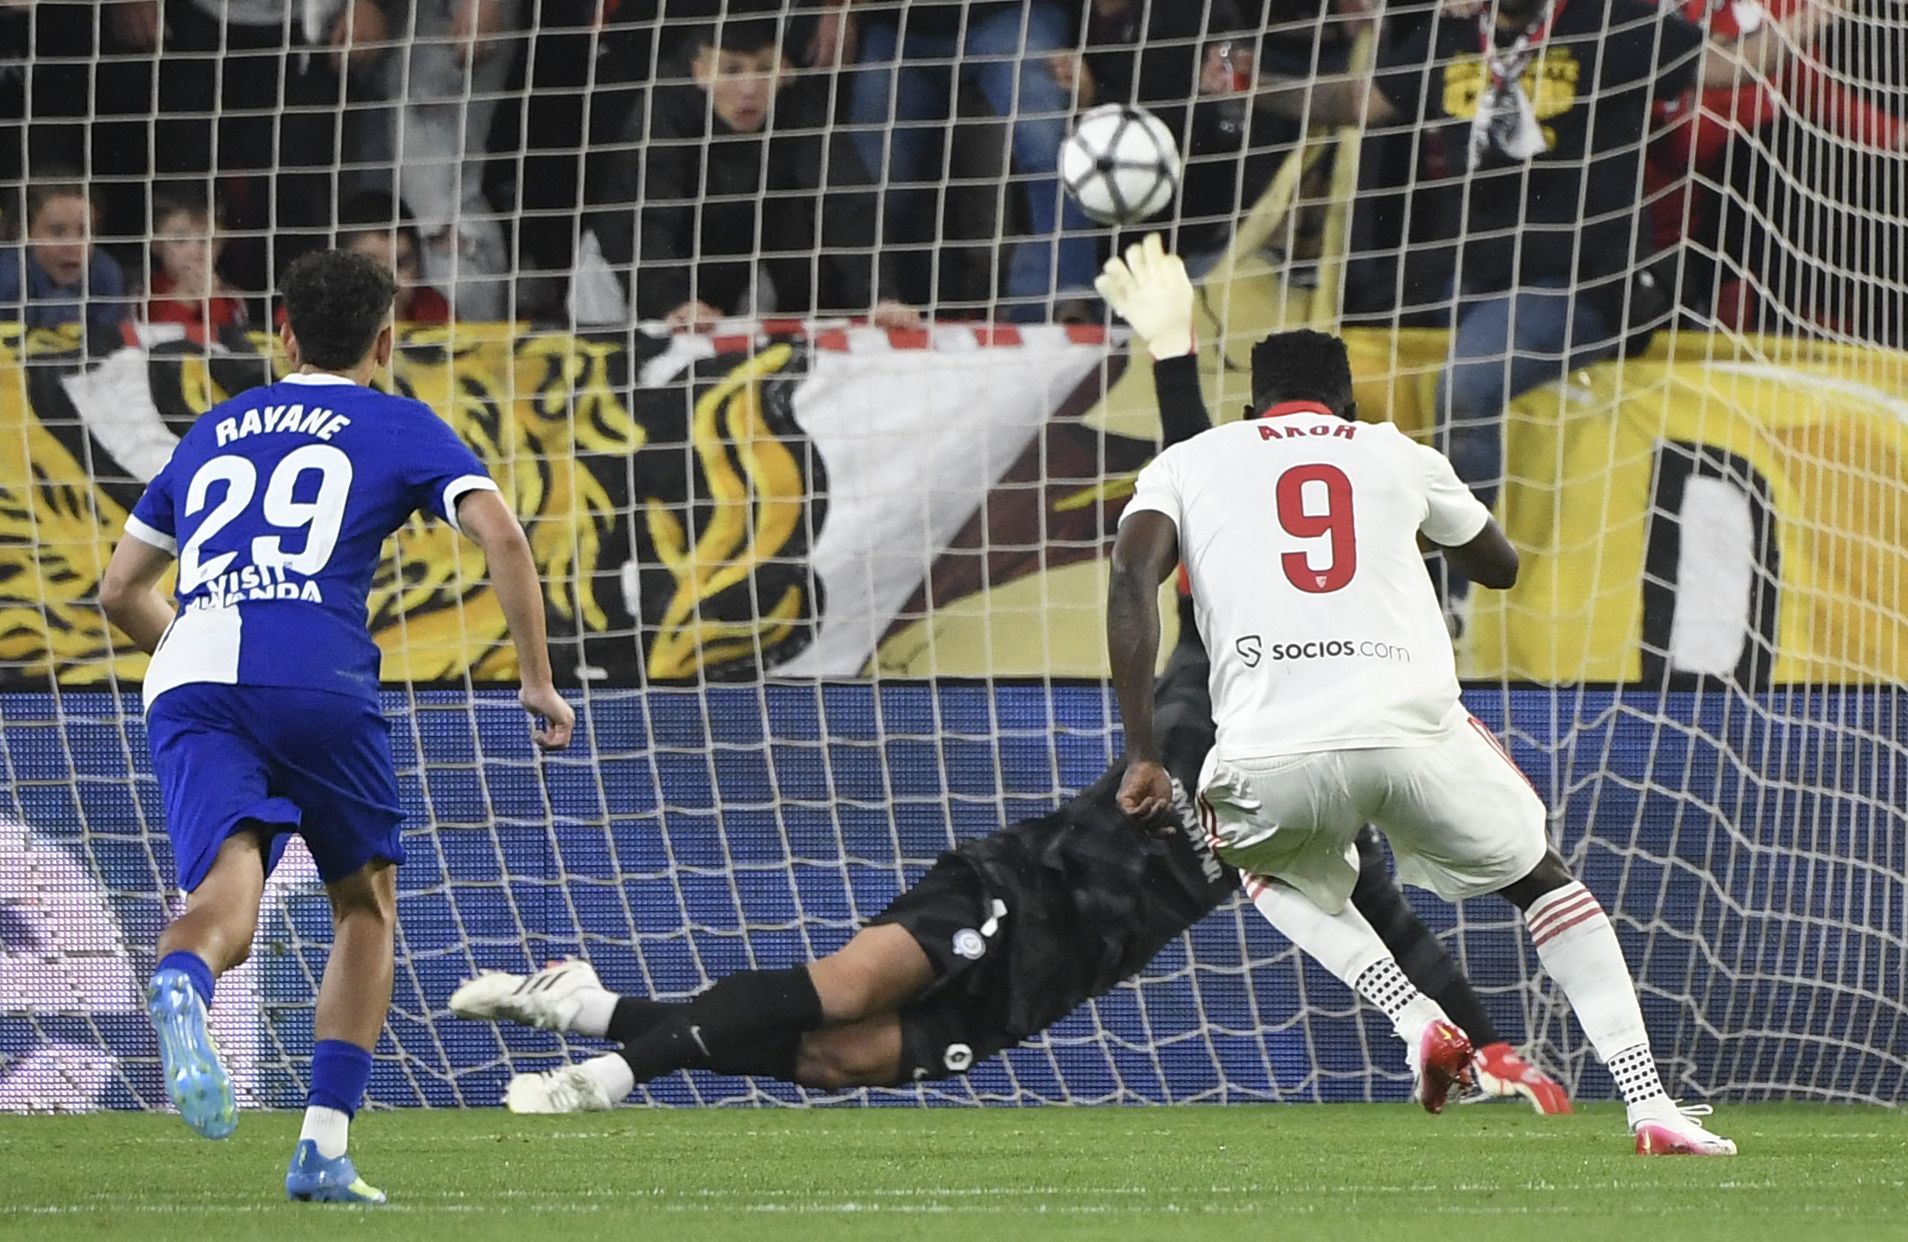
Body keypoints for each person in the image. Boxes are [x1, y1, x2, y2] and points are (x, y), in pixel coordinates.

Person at [449, 244, 1568, 1115]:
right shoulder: (1230, 656)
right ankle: (607, 1081)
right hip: (1032, 881)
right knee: (841, 991)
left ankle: (588, 1004)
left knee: (836, 1059)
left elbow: (1382, 909)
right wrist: (1172, 354)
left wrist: (1481, 1044)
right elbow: (1199, 505)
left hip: (1055, 981)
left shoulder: (1328, 767)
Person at [1099, 234, 1733, 1154]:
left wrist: (1144, 752)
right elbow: (1501, 567)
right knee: (1543, 884)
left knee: (1265, 870)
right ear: (1349, 404)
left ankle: (1412, 1020)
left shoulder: (1193, 462)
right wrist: (1407, 517)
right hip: (1412, 732)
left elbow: (1129, 579)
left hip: (1274, 748)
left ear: (1250, 407)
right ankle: (1650, 1106)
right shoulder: (1394, 450)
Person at [97, 249, 575, 1202]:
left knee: (226, 885)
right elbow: (504, 536)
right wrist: (537, 679)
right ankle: (322, 1145)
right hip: (314, 667)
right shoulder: (396, 421)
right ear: (385, 342)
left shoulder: (218, 427)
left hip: (192, 669)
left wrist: (198, 652)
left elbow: (118, 591)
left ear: (281, 332)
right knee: (363, 903)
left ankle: (186, 980)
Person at [1249, 0, 1836, 612]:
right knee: (1394, 389)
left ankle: (1453, 597)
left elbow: (1731, 66)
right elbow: (1357, 102)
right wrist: (1257, 88)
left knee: (1466, 386)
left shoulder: (1605, 20)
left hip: (1583, 283)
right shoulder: (1453, 33)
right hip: (1473, 283)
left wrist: (1807, 21)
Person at [587, 18, 920, 331]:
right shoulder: (663, 108)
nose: (749, 88)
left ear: (785, 72)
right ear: (700, 72)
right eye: (731, 70)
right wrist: (671, 302)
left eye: (764, 69)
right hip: (624, 276)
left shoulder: (799, 105)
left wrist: (880, 296)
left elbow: (844, 201)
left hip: (731, 274)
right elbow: (639, 222)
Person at [808, 0, 1099, 318]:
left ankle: (1071, 300)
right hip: (898, 26)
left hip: (1010, 14)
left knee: (1043, 143)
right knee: (876, 175)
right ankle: (885, 307)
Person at [0, 178, 131, 336]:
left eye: (85, 232)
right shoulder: (7, 276)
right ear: (23, 233)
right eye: (57, 232)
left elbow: (110, 342)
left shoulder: (105, 274)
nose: (74, 246)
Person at [338, 192, 454, 324]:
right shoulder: (319, 315)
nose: (387, 280)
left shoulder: (435, 311)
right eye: (369, 265)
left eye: (400, 264)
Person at [146, 188, 248, 333]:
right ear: (156, 245)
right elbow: (158, 341)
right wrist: (183, 300)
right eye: (180, 240)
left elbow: (230, 342)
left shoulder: (232, 299)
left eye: (206, 240)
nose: (195, 252)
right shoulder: (146, 294)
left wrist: (213, 300)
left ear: (221, 245)